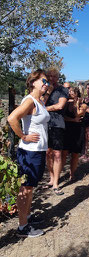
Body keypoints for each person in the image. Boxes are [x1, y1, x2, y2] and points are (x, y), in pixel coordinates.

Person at [8, 70, 50, 237]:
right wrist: (23, 136)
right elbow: (12, 118)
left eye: (47, 82)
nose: (46, 84)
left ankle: (27, 216)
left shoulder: (39, 101)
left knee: (29, 188)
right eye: (43, 81)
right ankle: (22, 227)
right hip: (30, 152)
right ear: (33, 82)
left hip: (37, 151)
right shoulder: (30, 101)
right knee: (26, 189)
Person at [45, 68, 69, 195]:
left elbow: (60, 106)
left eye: (54, 76)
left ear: (58, 78)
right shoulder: (44, 90)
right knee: (48, 153)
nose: (51, 78)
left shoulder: (62, 90)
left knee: (57, 154)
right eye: (49, 76)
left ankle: (56, 183)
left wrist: (43, 108)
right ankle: (51, 178)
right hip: (45, 125)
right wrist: (47, 93)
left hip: (57, 125)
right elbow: (37, 103)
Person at [62, 87, 87, 180]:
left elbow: (78, 114)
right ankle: (60, 173)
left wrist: (76, 104)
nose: (70, 93)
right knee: (64, 153)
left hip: (78, 130)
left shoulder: (83, 105)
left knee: (75, 153)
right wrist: (72, 120)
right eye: (69, 92)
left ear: (77, 94)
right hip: (67, 129)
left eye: (72, 92)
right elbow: (63, 116)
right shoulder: (66, 103)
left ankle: (72, 174)